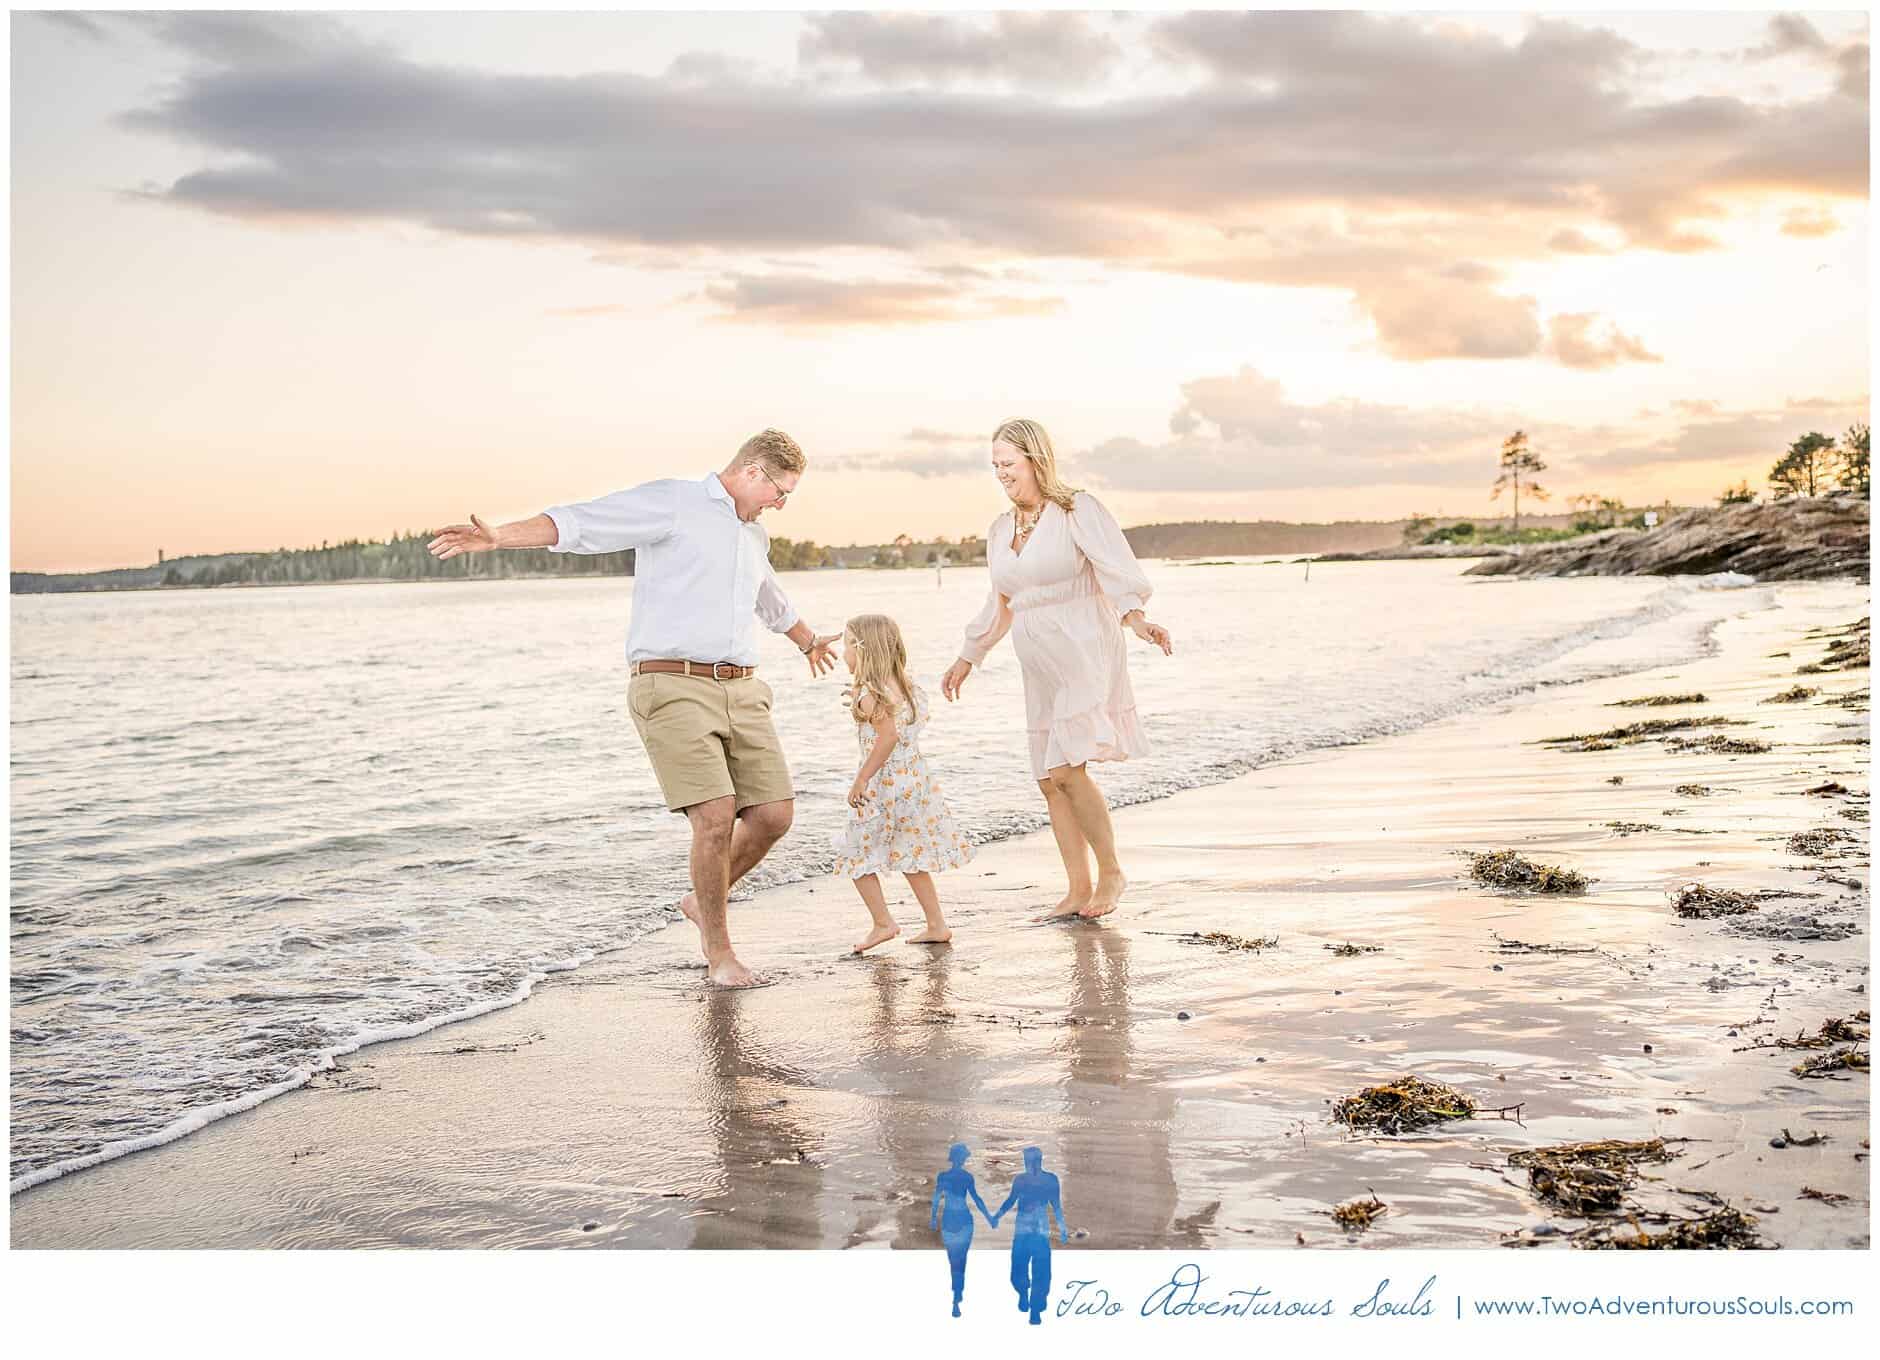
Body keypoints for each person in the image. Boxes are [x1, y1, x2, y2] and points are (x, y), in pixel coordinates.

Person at [426, 429, 839, 989]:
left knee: (773, 816)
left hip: (741, 686)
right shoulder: (676, 502)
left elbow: (769, 599)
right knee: (715, 815)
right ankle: (720, 952)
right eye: (781, 491)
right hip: (670, 683)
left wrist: (809, 640)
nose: (782, 504)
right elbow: (583, 522)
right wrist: (501, 536)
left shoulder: (752, 537)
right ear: (752, 472)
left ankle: (702, 900)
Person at [939, 419, 1172, 923]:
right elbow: (1002, 602)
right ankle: (1076, 888)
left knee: (1069, 767)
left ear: (1036, 459)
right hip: (1038, 663)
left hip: (1084, 646)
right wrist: (968, 656)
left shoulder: (1076, 509)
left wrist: (1137, 619)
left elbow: (1115, 569)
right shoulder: (1001, 530)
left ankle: (1111, 873)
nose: (1000, 473)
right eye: (994, 465)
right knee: (1048, 777)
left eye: (1008, 463)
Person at [832, 614, 973, 953]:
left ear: (863, 651)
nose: (842, 654)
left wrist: (861, 779)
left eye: (847, 645)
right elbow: (900, 727)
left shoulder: (870, 692)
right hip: (914, 783)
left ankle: (883, 923)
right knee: (913, 854)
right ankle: (936, 923)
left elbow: (888, 737)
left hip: (883, 786)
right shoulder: (904, 685)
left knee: (855, 854)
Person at [991, 1146, 1067, 1325]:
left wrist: (997, 1216)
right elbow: (1055, 1206)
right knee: (1038, 1270)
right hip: (1037, 1231)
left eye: (1028, 1161)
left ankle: (1029, 1301)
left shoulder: (1024, 1180)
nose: (1027, 1164)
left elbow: (1011, 1201)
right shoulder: (1048, 1180)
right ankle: (1031, 1301)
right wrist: (1062, 1228)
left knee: (1021, 1267)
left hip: (1026, 1231)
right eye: (1026, 1161)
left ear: (1036, 1161)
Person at [930, 1143, 993, 1318]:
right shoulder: (967, 1177)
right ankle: (957, 1293)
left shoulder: (943, 1177)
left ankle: (956, 1293)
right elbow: (977, 1200)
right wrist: (989, 1218)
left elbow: (936, 1198)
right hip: (964, 1220)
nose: (965, 1159)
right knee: (961, 1258)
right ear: (963, 1158)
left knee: (952, 1259)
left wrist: (933, 1219)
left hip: (949, 1220)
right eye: (964, 1156)